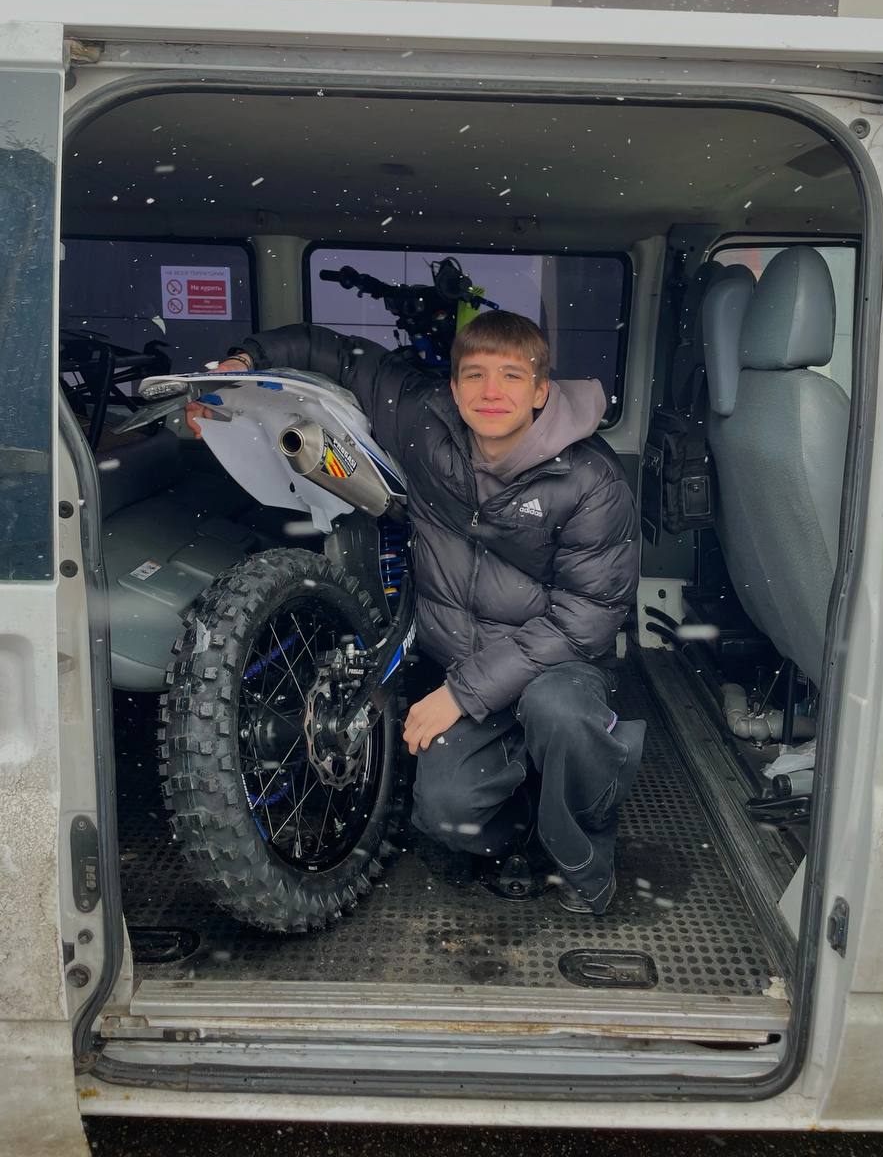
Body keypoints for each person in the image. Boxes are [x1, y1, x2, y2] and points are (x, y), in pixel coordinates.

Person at [187, 310, 644, 915]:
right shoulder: (424, 424)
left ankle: (584, 857)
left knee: (559, 712)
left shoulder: (590, 479)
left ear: (540, 391)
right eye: (475, 374)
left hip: (559, 666)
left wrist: (461, 694)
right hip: (461, 663)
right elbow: (337, 353)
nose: (490, 391)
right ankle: (525, 821)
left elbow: (587, 617)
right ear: (453, 387)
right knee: (445, 814)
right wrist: (240, 370)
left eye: (511, 376)